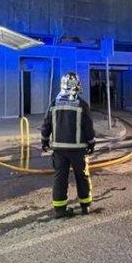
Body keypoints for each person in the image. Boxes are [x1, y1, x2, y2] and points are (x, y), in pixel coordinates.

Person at [41, 72, 96, 218]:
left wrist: (44, 140)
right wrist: (91, 143)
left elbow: (46, 123)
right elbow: (88, 127)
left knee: (60, 178)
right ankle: (85, 206)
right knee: (82, 176)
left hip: (59, 149)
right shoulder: (82, 104)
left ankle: (60, 210)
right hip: (78, 149)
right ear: (77, 86)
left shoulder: (54, 102)